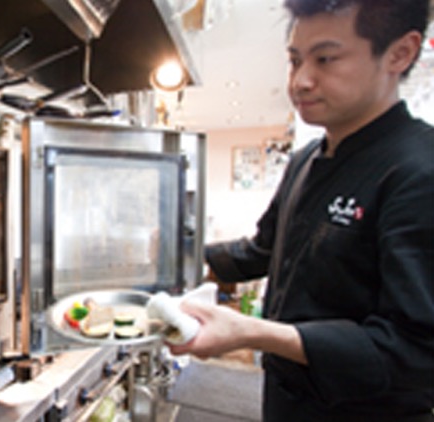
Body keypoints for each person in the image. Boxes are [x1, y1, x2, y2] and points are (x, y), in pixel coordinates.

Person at [167, 1, 434, 421]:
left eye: (325, 59)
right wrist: (172, 259)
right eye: (295, 60)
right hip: (284, 401)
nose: (301, 81)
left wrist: (254, 332)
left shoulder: (420, 169)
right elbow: (262, 251)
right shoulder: (305, 159)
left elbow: (415, 349)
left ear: (400, 53)